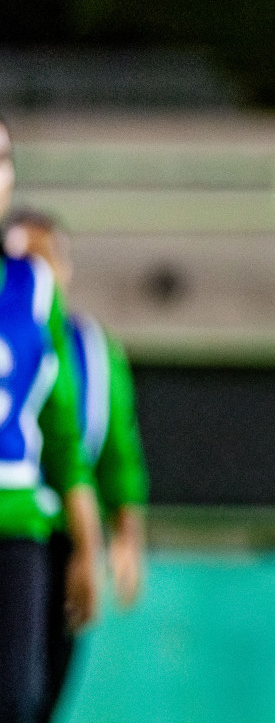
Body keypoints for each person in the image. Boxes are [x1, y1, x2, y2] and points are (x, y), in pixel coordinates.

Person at [4, 209, 149, 721]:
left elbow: (112, 449)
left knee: (37, 690)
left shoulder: (91, 348)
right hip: (21, 527)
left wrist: (121, 532)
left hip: (57, 533)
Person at [0, 123, 103, 723]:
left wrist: (88, 545)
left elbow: (61, 434)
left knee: (17, 702)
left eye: (4, 160)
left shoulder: (33, 289)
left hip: (16, 524)